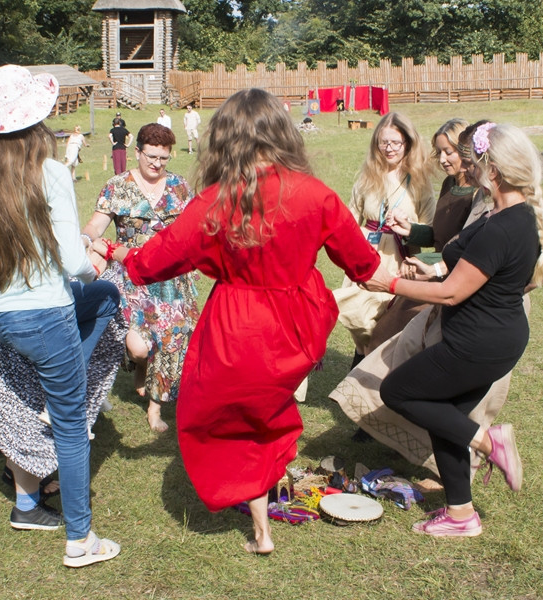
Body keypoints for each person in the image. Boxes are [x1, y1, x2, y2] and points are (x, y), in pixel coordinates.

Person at [98, 88, 380, 555]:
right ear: (282, 133)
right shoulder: (316, 194)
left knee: (217, 419)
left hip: (238, 327)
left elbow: (151, 263)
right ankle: (263, 520)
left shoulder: (213, 200)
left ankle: (258, 514)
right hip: (297, 324)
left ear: (225, 139)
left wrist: (109, 249)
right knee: (265, 414)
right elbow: (365, 266)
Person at [0, 119, 125, 538]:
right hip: (30, 317)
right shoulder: (46, 172)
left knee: (33, 407)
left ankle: (30, 500)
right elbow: (70, 260)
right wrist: (83, 272)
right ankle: (80, 537)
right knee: (65, 428)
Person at [360, 122, 543, 538]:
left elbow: (448, 294)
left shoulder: (504, 226)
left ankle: (489, 442)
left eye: (475, 160)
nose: (467, 165)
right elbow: (458, 266)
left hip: (478, 344)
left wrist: (387, 282)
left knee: (399, 391)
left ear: (494, 170)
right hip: (491, 338)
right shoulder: (505, 213)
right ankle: (461, 515)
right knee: (446, 416)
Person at [83, 123, 200, 432]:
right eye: (150, 156)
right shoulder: (117, 185)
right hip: (130, 273)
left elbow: (194, 228)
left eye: (163, 158)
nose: (156, 164)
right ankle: (138, 364)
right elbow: (96, 224)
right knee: (138, 347)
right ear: (137, 152)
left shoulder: (180, 187)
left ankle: (155, 408)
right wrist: (86, 239)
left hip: (172, 277)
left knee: (172, 340)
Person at [358, 119, 474, 353]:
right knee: (381, 332)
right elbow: (439, 237)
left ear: (465, 151)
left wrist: (425, 264)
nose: (442, 159)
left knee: (391, 337)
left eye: (448, 152)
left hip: (449, 281)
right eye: (438, 152)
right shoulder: (450, 184)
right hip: (431, 274)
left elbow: (464, 252)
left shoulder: (476, 196)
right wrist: (410, 229)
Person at [333, 112, 435, 369]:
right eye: (383, 142)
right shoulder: (367, 177)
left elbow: (433, 229)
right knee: (360, 320)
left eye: (396, 143)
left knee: (384, 324)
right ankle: (359, 373)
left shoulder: (420, 181)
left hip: (401, 261)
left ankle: (369, 378)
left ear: (408, 144)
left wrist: (409, 229)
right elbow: (348, 220)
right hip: (367, 255)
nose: (389, 149)